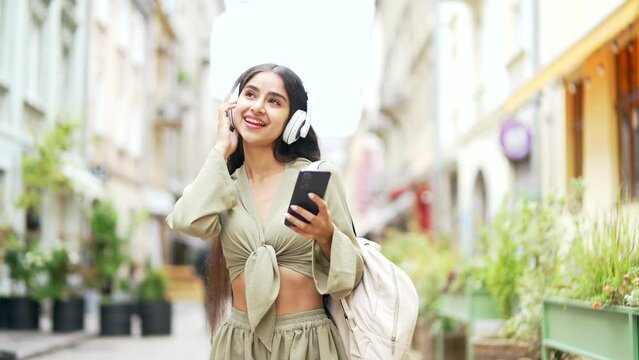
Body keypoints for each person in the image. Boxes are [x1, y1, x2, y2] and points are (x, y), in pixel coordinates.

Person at [166, 63, 363, 359]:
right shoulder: (223, 186)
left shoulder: (317, 178)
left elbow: (351, 275)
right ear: (233, 107)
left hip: (307, 343)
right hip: (239, 344)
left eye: (274, 101)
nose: (257, 107)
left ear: (295, 120)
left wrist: (326, 235)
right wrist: (221, 147)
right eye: (250, 95)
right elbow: (185, 220)